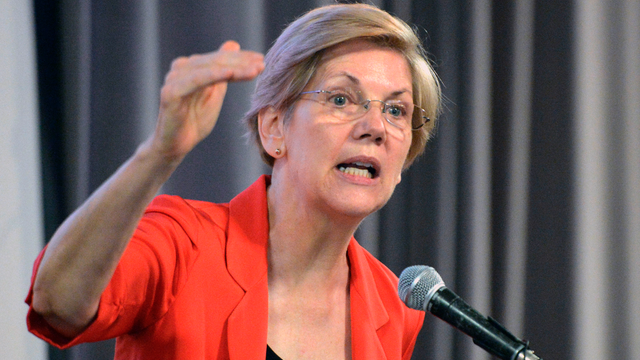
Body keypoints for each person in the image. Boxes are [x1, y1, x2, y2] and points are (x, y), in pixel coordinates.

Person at [26, 3, 441, 359]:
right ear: (275, 129)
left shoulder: (395, 304)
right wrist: (159, 152)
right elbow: (57, 302)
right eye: (340, 99)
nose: (375, 126)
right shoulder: (183, 244)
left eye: (396, 110)